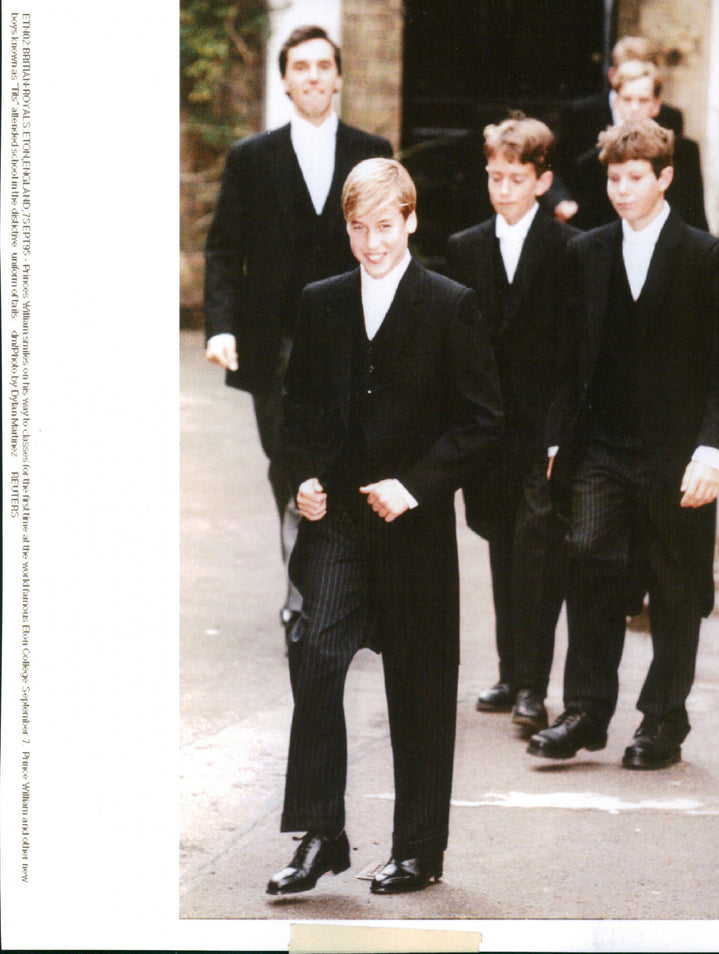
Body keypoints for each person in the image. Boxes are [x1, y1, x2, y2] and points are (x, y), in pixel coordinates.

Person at [266, 158, 502, 896]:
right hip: (336, 519)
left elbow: (483, 421)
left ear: (412, 220)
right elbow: (295, 410)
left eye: (386, 227)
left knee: (421, 682)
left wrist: (417, 486)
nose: (372, 243)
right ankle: (321, 833)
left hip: (411, 526)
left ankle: (419, 850)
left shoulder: (448, 303)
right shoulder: (321, 302)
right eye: (359, 229)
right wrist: (299, 477)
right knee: (314, 655)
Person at [528, 120, 719, 769]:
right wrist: (553, 438)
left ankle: (662, 721)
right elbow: (569, 360)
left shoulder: (705, 256)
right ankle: (586, 710)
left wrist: (713, 453)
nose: (622, 191)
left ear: (665, 178)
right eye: (613, 180)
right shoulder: (586, 253)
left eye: (634, 179)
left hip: (677, 455)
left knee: (673, 585)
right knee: (587, 555)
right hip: (600, 446)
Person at [204, 25, 392, 642]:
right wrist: (223, 327)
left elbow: (392, 241)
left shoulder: (372, 151)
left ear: (338, 77)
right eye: (300, 67)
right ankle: (303, 594)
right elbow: (225, 252)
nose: (312, 76)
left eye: (322, 66)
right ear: (285, 80)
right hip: (274, 344)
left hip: (354, 339)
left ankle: (349, 596)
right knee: (290, 466)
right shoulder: (251, 158)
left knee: (355, 461)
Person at [446, 115, 577, 736]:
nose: (502, 189)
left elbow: (573, 351)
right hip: (487, 431)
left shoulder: (567, 247)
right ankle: (507, 670)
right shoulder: (466, 246)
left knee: (537, 554)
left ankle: (533, 684)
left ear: (542, 181)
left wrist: (559, 430)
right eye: (494, 176)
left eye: (515, 178)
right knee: (500, 545)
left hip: (540, 432)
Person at [548, 35, 684, 223]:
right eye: (630, 72)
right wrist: (561, 201)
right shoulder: (581, 113)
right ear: (613, 75)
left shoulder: (669, 118)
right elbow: (555, 164)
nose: (635, 107)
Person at [569, 60, 708, 231]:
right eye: (627, 99)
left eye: (643, 100)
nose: (634, 108)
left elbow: (696, 217)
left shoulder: (684, 152)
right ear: (616, 103)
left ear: (656, 105)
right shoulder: (592, 162)